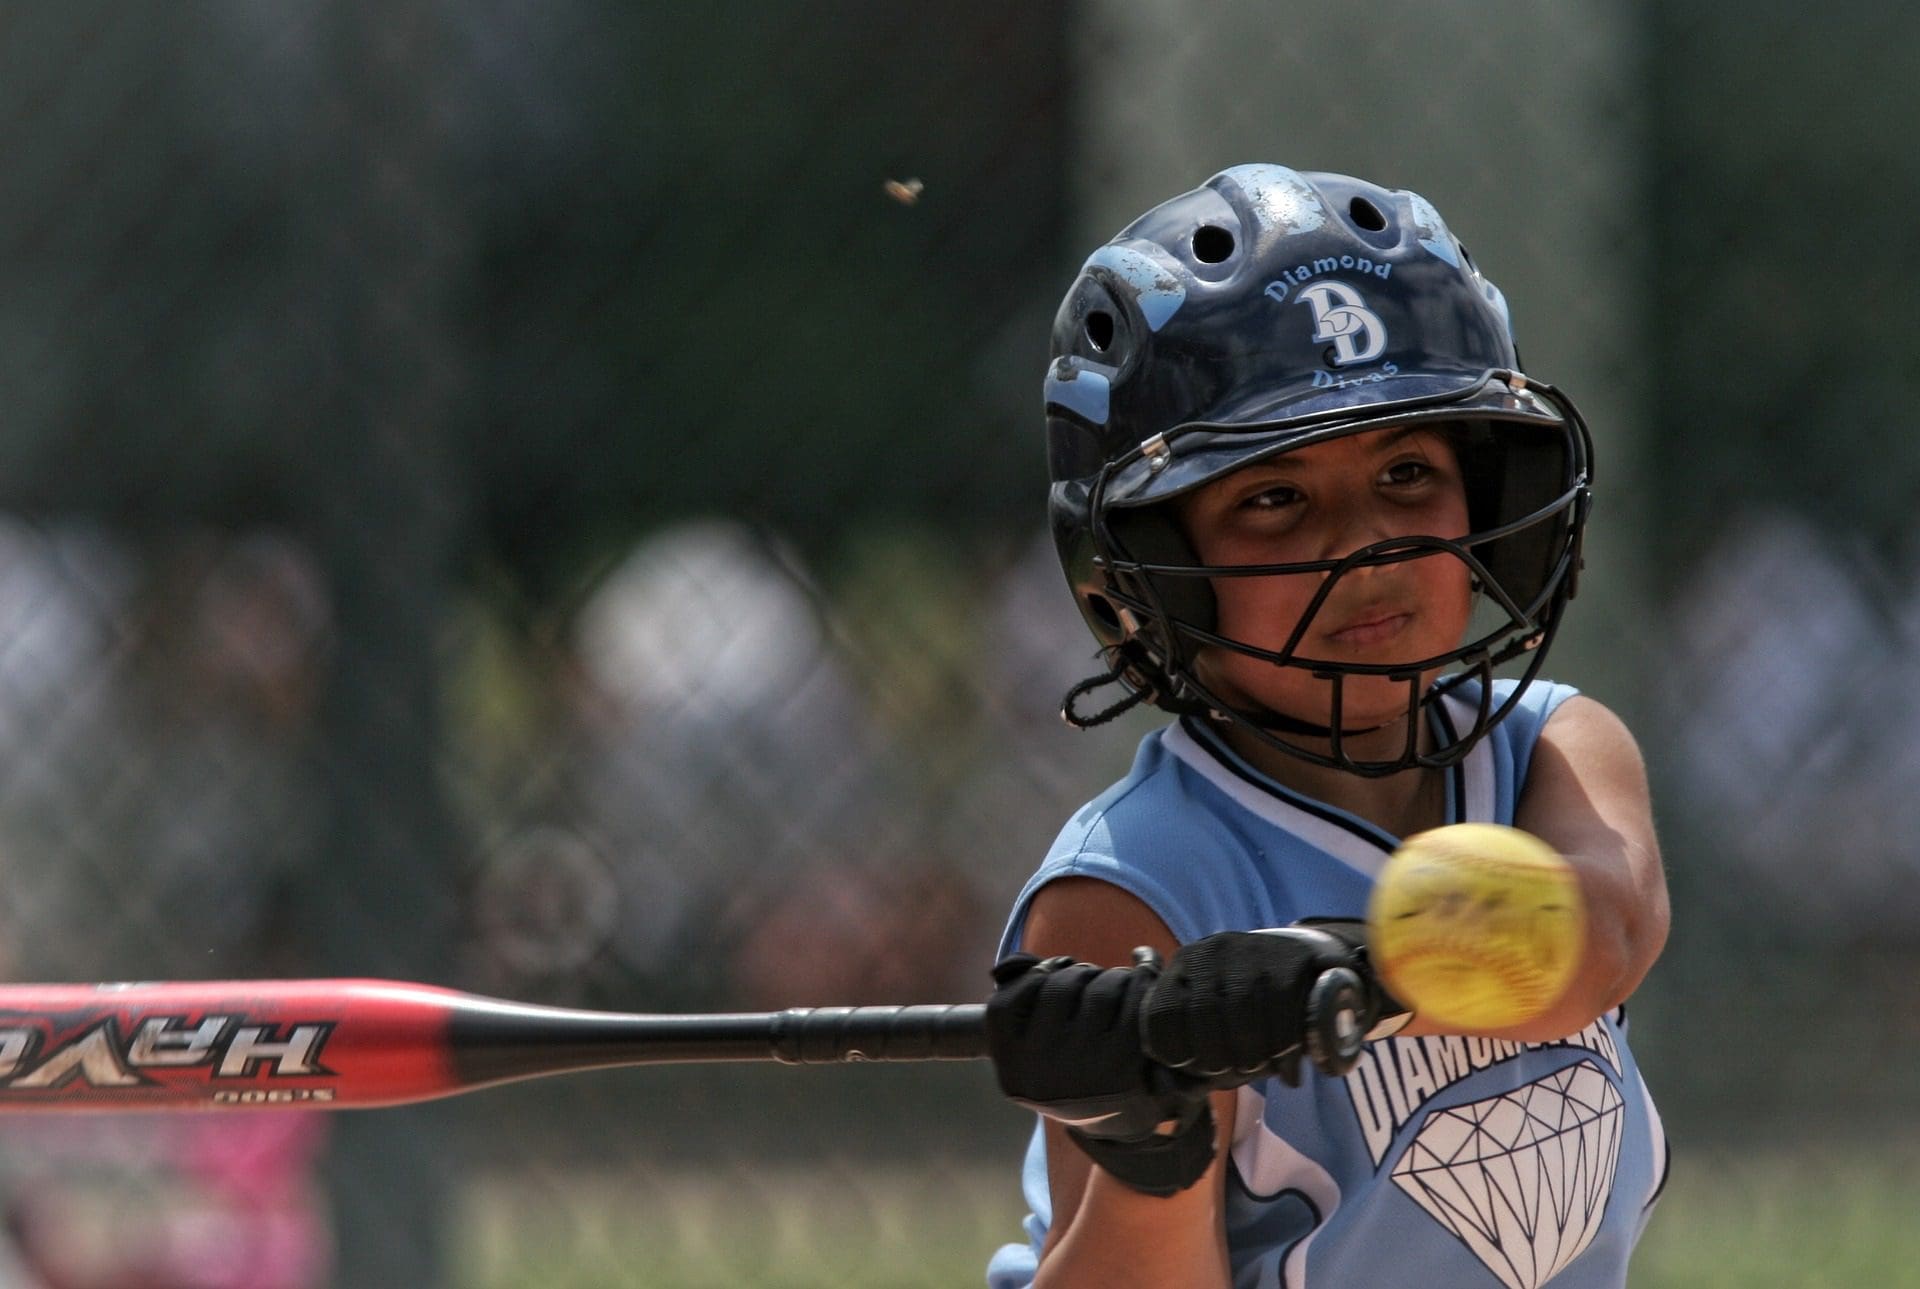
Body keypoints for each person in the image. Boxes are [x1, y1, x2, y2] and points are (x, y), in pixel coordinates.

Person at [983, 165, 1670, 1289]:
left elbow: (1601, 937)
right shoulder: (1135, 885)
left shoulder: (1553, 747)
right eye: (1274, 499)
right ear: (1158, 573)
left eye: (1408, 472)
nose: (1368, 543)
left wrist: (1346, 965)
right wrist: (1154, 1131)